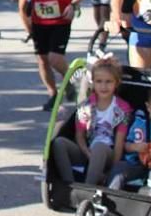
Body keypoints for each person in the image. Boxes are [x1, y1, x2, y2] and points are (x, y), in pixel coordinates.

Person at [51, 58, 131, 188]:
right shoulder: (86, 106)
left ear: (116, 83)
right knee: (59, 143)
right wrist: (88, 154)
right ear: (93, 82)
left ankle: (88, 188)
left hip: (108, 153)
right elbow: (79, 136)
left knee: (99, 146)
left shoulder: (122, 108)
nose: (103, 86)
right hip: (86, 151)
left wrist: (112, 169)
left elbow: (119, 143)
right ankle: (69, 185)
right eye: (99, 82)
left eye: (108, 82)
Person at [114, 85, 151, 196]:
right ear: (148, 107)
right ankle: (110, 193)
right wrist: (135, 147)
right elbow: (125, 145)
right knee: (118, 168)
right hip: (135, 163)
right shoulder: (139, 121)